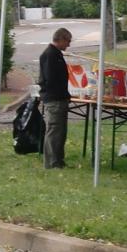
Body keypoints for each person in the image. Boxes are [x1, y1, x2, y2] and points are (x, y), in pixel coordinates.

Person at [38, 27, 72, 168]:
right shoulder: (50, 55)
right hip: (54, 98)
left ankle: (58, 160)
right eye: (67, 41)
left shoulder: (56, 54)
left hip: (59, 97)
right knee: (54, 130)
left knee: (60, 131)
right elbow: (50, 78)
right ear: (61, 39)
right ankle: (52, 162)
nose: (68, 45)